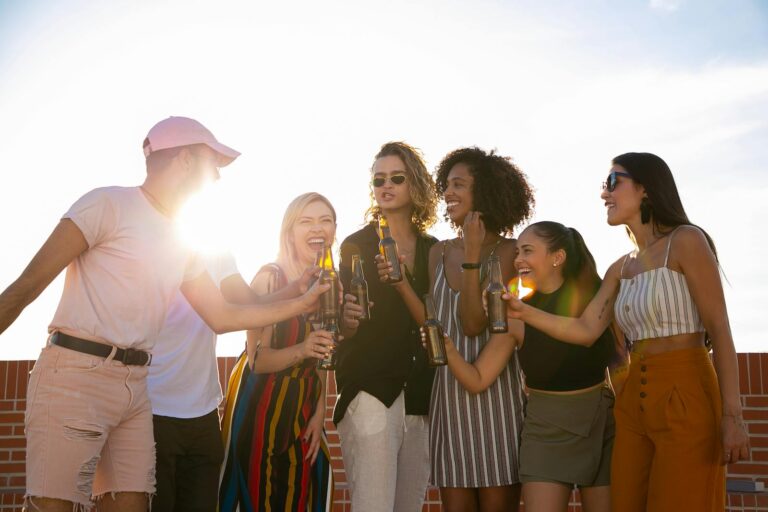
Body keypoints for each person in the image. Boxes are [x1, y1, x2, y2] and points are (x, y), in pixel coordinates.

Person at [0, 116, 327, 512]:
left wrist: (300, 301)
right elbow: (25, 287)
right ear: (186, 160)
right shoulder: (107, 204)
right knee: (51, 507)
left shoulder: (181, 240)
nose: (218, 179)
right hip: (75, 374)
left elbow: (222, 316)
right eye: (213, 166)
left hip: (136, 387)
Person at [507, 153, 751, 511]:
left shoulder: (686, 241)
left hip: (686, 392)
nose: (604, 194)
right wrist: (522, 311)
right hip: (632, 407)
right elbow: (587, 329)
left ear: (645, 189)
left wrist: (733, 416)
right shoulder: (620, 267)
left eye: (612, 182)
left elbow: (720, 330)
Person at [385, 146, 535, 512]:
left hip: (498, 405)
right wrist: (401, 283)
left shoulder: (511, 253)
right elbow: (434, 324)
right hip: (449, 402)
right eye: (447, 185)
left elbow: (471, 324)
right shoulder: (439, 252)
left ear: (483, 192)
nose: (448, 193)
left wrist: (471, 255)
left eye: (459, 185)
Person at [438, 221, 626, 512]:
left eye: (527, 251)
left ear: (557, 257)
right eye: (517, 253)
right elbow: (477, 379)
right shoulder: (515, 315)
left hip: (600, 423)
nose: (518, 260)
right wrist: (447, 349)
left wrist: (524, 311)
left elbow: (586, 334)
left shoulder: (594, 296)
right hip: (545, 430)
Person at [149, 251, 329, 512]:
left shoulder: (217, 252)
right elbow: (221, 318)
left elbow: (251, 304)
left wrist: (295, 289)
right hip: (153, 408)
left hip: (203, 413)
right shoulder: (158, 243)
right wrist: (301, 303)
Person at [335, 141, 439, 511]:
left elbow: (437, 320)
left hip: (422, 395)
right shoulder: (356, 246)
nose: (386, 185)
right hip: (370, 389)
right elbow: (341, 328)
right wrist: (346, 319)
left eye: (397, 177)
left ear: (416, 184)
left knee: (408, 507)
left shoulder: (434, 250)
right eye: (379, 179)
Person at [219, 192, 338, 512]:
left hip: (304, 408)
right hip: (264, 408)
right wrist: (302, 349)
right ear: (290, 231)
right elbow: (257, 360)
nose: (317, 228)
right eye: (306, 221)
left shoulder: (330, 280)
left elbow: (325, 355)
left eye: (325, 220)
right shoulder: (271, 277)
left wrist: (320, 412)